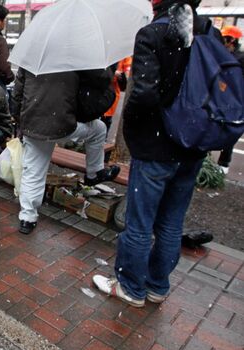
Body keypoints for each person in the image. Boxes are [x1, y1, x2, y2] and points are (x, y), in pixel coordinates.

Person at [93, 0, 215, 307]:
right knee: (171, 223)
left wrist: (133, 130)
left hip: (155, 146)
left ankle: (131, 287)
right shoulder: (206, 33)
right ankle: (157, 285)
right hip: (192, 145)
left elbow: (144, 93)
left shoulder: (154, 33)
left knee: (140, 222)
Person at [12, 67, 120, 235]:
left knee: (33, 173)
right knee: (98, 129)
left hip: (33, 125)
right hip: (63, 124)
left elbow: (17, 95)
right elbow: (100, 79)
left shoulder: (32, 58)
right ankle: (94, 173)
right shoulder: (73, 56)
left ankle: (27, 218)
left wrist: (21, 123)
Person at [217, 25, 244, 175]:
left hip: (235, 101)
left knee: (230, 130)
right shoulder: (224, 54)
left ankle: (224, 162)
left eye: (225, 39)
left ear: (231, 40)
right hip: (223, 97)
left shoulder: (240, 58)